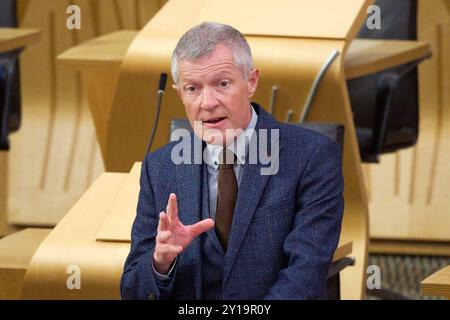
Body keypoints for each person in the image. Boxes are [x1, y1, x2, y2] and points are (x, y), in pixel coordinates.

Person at [120, 22, 344, 300]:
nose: (207, 102)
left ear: (251, 81)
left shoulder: (312, 156)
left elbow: (305, 274)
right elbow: (132, 289)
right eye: (193, 89)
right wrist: (160, 263)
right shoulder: (160, 168)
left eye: (222, 84)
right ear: (180, 94)